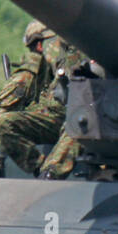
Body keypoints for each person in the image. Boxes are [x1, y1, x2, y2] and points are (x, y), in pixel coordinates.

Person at [0, 21, 65, 175]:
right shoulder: (27, 76)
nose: (59, 47)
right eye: (54, 42)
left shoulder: (54, 70)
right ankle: (43, 169)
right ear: (40, 46)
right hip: (46, 129)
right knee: (5, 123)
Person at [36, 36, 89, 179]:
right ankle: (38, 168)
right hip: (57, 111)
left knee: (78, 125)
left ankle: (50, 174)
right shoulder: (58, 49)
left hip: (87, 113)